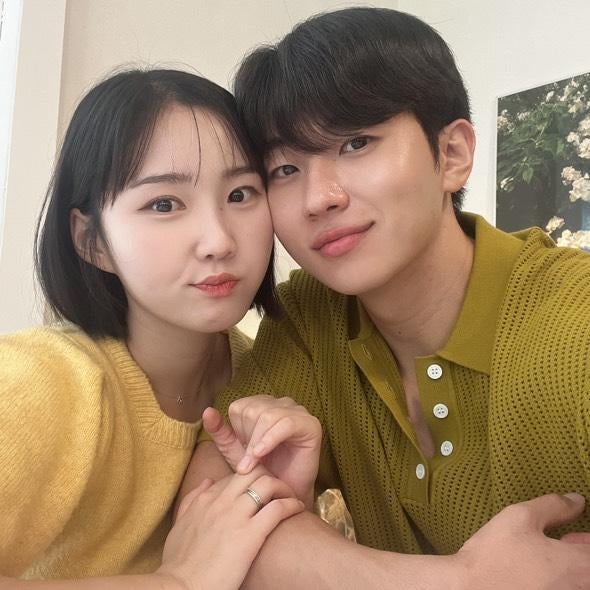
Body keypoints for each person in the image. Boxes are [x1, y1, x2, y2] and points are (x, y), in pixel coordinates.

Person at [182, 7, 590, 589]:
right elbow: (204, 521)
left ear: (452, 155)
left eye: (356, 143)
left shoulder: (574, 323)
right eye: (285, 168)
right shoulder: (309, 317)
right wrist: (463, 582)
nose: (318, 198)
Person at [0, 68, 312, 588]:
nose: (218, 241)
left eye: (240, 194)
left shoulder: (270, 375)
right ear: (92, 241)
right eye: (163, 204)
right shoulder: (36, 382)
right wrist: (177, 582)